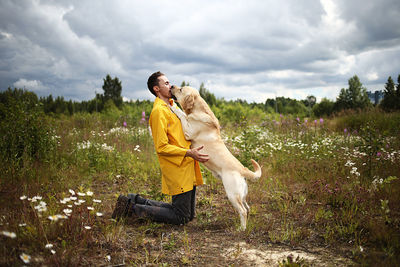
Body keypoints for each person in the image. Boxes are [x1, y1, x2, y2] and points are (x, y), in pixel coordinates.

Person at [112, 71, 209, 225]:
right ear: (156, 89)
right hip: (178, 166)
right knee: (181, 217)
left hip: (188, 164)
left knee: (188, 215)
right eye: (166, 83)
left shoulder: (172, 106)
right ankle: (132, 208)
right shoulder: (158, 112)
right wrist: (188, 152)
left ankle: (133, 200)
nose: (170, 86)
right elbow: (161, 147)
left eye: (169, 83)